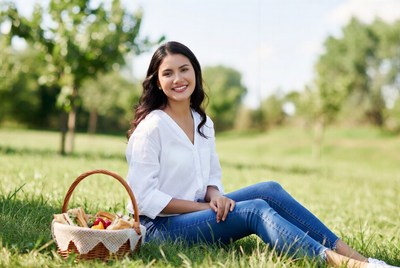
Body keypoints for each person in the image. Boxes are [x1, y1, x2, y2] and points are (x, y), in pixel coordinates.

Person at [125, 41, 396, 268]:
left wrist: (216, 196)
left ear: (195, 73)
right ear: (158, 83)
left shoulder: (202, 122)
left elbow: (210, 176)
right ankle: (344, 265)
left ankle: (363, 259)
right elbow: (143, 199)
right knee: (254, 210)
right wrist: (204, 207)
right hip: (159, 228)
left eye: (184, 69)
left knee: (269, 190)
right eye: (168, 73)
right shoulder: (153, 127)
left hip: (198, 211)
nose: (178, 79)